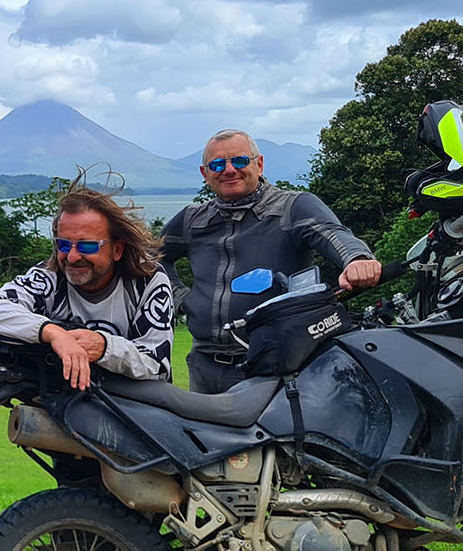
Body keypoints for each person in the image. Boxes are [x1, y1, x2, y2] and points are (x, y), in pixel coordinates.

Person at [159, 129, 381, 394]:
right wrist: (182, 297)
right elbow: (151, 258)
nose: (229, 170)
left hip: (274, 365)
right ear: (205, 173)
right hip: (203, 364)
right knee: (199, 436)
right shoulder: (193, 220)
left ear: (259, 164)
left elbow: (333, 234)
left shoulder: (292, 207)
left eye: (240, 161)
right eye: (217, 164)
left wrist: (357, 259)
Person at [0, 183, 175, 387]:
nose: (72, 257)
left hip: (134, 408)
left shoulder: (147, 280)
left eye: (87, 245)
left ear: (117, 249)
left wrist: (104, 348)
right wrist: (53, 333)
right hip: (64, 401)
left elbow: (156, 363)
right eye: (63, 244)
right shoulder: (50, 277)